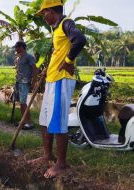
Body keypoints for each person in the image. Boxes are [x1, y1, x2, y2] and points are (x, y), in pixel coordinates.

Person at [28, 0, 86, 178]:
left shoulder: (66, 23)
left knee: (58, 122)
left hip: (62, 80)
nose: (43, 17)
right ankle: (47, 155)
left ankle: (61, 164)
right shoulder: (56, 29)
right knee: (45, 120)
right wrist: (49, 68)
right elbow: (60, 51)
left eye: (44, 13)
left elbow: (80, 39)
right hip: (52, 79)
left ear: (52, 11)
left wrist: (68, 62)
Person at [14, 41, 38, 130]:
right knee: (21, 103)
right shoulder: (19, 57)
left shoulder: (29, 57)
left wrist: (33, 82)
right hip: (19, 82)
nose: (15, 49)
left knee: (23, 103)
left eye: (16, 47)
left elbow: (35, 70)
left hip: (25, 82)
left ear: (21, 47)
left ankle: (29, 123)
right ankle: (23, 121)